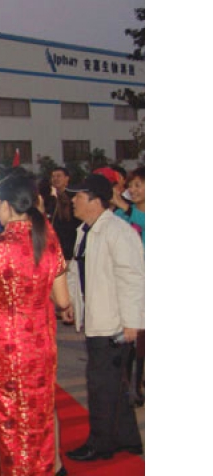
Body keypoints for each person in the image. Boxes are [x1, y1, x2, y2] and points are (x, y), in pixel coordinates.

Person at [0, 175, 71, 475]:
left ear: (5, 205)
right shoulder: (50, 241)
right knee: (41, 412)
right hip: (42, 343)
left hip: (7, 346)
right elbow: (63, 300)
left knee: (10, 417)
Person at [64, 174, 145, 462]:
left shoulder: (118, 231)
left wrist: (132, 322)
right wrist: (71, 302)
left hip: (112, 323)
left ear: (95, 200)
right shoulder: (86, 230)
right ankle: (128, 438)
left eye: (78, 196)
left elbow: (132, 278)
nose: (73, 201)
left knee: (100, 385)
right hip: (97, 318)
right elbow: (77, 271)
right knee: (113, 383)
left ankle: (101, 444)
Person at [111, 167, 145, 407]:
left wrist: (126, 208)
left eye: (138, 185)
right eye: (130, 185)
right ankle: (128, 386)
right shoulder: (121, 215)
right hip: (128, 286)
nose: (133, 190)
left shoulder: (129, 211)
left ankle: (140, 382)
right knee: (129, 339)